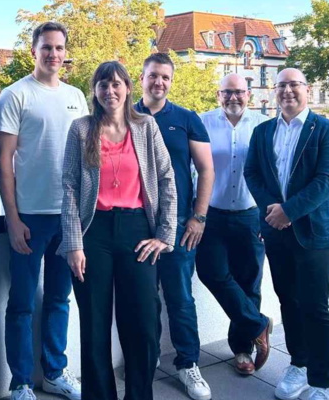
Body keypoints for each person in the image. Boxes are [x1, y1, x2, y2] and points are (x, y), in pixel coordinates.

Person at [59, 60, 176, 400]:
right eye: (102, 84)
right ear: (94, 90)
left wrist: (165, 235)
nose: (109, 91)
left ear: (127, 88)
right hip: (93, 232)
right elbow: (69, 186)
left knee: (143, 324)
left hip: (138, 230)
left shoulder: (146, 126)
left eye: (116, 84)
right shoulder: (81, 129)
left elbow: (166, 178)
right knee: (95, 325)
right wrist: (73, 244)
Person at [0, 21, 88, 400]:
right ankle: (20, 382)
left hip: (69, 217)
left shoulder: (76, 96)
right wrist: (12, 218)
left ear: (65, 53)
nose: (53, 53)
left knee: (58, 300)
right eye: (46, 47)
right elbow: (3, 160)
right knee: (21, 303)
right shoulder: (15, 95)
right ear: (34, 51)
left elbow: (86, 157)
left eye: (59, 47)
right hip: (30, 217)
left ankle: (54, 373)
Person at [244, 68, 329, 400]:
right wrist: (272, 210)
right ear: (275, 91)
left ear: (308, 89)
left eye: (294, 84)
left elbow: (327, 180)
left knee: (315, 306)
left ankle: (319, 382)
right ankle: (298, 364)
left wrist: (289, 211)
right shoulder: (262, 132)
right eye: (282, 85)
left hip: (313, 232)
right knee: (288, 300)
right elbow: (252, 173)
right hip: (276, 232)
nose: (288, 91)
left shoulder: (327, 130)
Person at [134, 53, 215, 400]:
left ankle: (188, 363)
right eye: (153, 75)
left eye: (165, 77)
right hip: (137, 223)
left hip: (181, 224)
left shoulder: (186, 119)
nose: (159, 82)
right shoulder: (126, 115)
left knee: (180, 297)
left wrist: (199, 217)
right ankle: (147, 356)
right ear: (141, 78)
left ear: (171, 81)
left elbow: (206, 169)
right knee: (143, 297)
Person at [197, 73, 272, 376]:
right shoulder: (202, 123)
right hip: (212, 214)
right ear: (218, 95)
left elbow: (271, 173)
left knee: (249, 281)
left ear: (248, 95)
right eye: (227, 92)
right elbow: (193, 168)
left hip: (250, 215)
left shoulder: (263, 126)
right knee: (210, 272)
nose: (233, 97)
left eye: (239, 91)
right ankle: (257, 324)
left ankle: (242, 349)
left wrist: (268, 216)